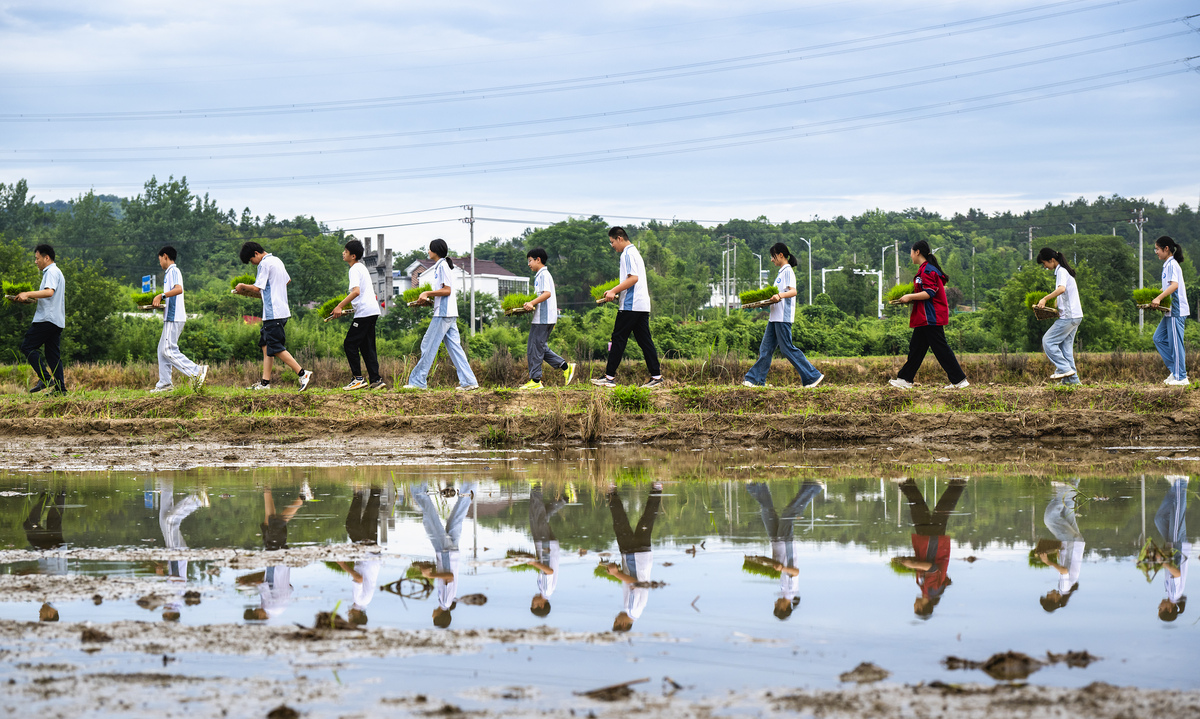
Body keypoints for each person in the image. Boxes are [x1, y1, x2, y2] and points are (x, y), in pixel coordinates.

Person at [232, 241, 313, 391]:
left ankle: (302, 373)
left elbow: (257, 287)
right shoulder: (277, 260)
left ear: (256, 253)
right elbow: (287, 281)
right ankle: (265, 383)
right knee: (266, 345)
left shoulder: (264, 263)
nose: (253, 263)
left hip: (273, 313)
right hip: (281, 310)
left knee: (275, 347)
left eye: (251, 260)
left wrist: (242, 286)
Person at [743, 243, 824, 388]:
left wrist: (779, 295)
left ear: (781, 255)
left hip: (782, 318)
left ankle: (812, 376)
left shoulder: (788, 271)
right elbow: (777, 297)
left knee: (787, 349)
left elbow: (793, 291)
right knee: (765, 349)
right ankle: (755, 380)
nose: (771, 260)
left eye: (773, 256)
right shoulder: (781, 273)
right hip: (774, 318)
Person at [889, 241, 968, 390]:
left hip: (931, 316)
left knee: (940, 349)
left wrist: (910, 296)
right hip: (925, 317)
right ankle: (905, 379)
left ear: (917, 252)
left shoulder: (927, 271)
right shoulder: (924, 269)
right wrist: (908, 299)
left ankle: (959, 381)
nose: (911, 256)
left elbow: (929, 293)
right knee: (916, 348)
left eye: (911, 252)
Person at [591, 227, 663, 389]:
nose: (612, 246)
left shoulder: (627, 254)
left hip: (631, 305)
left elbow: (633, 278)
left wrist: (613, 291)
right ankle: (656, 377)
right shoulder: (634, 252)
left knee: (618, 338)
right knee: (645, 341)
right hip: (641, 305)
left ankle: (609, 377)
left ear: (619, 238)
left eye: (612, 242)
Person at [404, 239, 479, 391]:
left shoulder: (442, 266)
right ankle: (469, 381)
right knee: (455, 348)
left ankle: (418, 382)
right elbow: (443, 291)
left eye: (429, 249)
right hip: (448, 313)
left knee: (428, 344)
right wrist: (428, 299)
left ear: (435, 251)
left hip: (443, 314)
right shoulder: (441, 266)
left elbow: (447, 290)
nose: (428, 251)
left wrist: (427, 293)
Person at [746, 480, 823, 619]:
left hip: (776, 542)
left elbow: (776, 564)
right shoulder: (791, 592)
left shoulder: (783, 590)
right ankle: (813, 488)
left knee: (767, 512)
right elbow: (795, 572)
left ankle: (756, 485)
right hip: (785, 543)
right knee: (788, 514)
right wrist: (783, 569)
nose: (775, 603)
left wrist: (757, 560)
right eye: (776, 606)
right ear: (783, 607)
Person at [894, 478, 967, 618]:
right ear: (921, 607)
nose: (914, 604)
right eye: (915, 607)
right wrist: (912, 564)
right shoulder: (932, 591)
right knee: (937, 510)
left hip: (927, 543)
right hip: (933, 544)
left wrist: (907, 560)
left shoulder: (928, 590)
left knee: (921, 510)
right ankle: (958, 482)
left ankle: (907, 482)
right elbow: (933, 568)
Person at [411, 481, 477, 627]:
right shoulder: (445, 602)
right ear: (438, 617)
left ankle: (471, 484)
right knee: (429, 519)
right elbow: (450, 577)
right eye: (433, 617)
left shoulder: (448, 600)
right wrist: (430, 575)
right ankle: (417, 486)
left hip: (452, 555)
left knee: (457, 518)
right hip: (445, 553)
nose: (431, 615)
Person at [603, 481, 663, 632]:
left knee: (647, 520)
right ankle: (611, 491)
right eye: (616, 621)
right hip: (633, 557)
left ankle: (657, 488)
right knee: (620, 522)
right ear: (623, 624)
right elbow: (635, 583)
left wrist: (620, 571)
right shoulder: (631, 610)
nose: (616, 617)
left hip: (643, 556)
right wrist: (616, 573)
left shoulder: (639, 611)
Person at [329, 239, 385, 391]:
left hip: (364, 313)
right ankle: (376, 379)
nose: (343, 253)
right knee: (367, 346)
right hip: (372, 311)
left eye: (345, 252)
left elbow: (356, 292)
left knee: (350, 344)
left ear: (353, 256)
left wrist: (339, 306)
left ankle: (357, 378)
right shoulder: (362, 267)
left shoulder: (354, 269)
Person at [150, 246, 208, 392]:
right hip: (170, 317)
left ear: (165, 256)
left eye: (160, 260)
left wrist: (161, 295)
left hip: (174, 317)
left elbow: (178, 289)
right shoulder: (169, 273)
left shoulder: (174, 271)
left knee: (168, 350)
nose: (160, 263)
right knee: (161, 350)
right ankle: (165, 384)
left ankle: (197, 371)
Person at [520, 248, 575, 390]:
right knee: (537, 347)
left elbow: (547, 293)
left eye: (530, 261)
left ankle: (535, 380)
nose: (528, 264)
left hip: (543, 319)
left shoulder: (543, 274)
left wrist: (532, 303)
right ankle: (565, 366)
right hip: (541, 318)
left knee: (535, 348)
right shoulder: (540, 275)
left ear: (538, 260)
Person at [17, 244, 66, 396]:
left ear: (47, 258)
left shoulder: (51, 271)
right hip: (56, 320)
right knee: (53, 356)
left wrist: (27, 293)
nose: (35, 261)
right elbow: (48, 296)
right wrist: (30, 299)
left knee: (27, 346)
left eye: (37, 258)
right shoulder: (57, 272)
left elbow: (49, 292)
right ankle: (60, 389)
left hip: (46, 319)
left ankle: (45, 378)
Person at [1034, 248, 1083, 385]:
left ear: (1052, 260)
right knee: (1065, 349)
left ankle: (1064, 368)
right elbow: (1064, 294)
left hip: (1069, 317)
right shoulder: (1065, 271)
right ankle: (1073, 382)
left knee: (1048, 341)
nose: (1045, 267)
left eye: (1044, 263)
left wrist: (1044, 299)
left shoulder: (1061, 271)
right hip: (1075, 316)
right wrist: (1054, 304)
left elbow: (1061, 289)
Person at [1036, 479, 1085, 612]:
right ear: (1055, 600)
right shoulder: (1063, 589)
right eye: (1048, 596)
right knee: (1049, 519)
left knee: (1067, 511)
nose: (1048, 593)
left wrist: (1058, 554)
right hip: (1070, 543)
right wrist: (1048, 562)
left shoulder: (1067, 589)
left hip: (1076, 544)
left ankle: (1074, 478)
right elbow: (1064, 571)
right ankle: (1061, 489)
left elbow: (1068, 567)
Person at [1150, 236, 1189, 386]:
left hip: (1176, 310)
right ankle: (1176, 371)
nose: (1156, 252)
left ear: (1166, 249)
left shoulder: (1172, 264)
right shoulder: (1167, 265)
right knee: (1158, 338)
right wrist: (1156, 295)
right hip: (1169, 311)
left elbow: (1174, 286)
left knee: (1175, 344)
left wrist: (1159, 298)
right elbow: (1167, 287)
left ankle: (1181, 377)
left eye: (1157, 249)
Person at [528, 483, 566, 617]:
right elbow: (549, 571)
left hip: (548, 549)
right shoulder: (546, 590)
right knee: (536, 517)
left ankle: (561, 501)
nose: (532, 601)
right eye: (533, 604)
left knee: (541, 519)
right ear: (541, 605)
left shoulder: (545, 590)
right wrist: (534, 563)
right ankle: (537, 484)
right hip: (546, 549)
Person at [1154, 475, 1189, 622]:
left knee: (1160, 519)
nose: (1159, 606)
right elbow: (1177, 573)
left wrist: (1160, 554)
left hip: (1173, 548)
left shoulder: (1170, 593)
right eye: (1160, 609)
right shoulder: (1174, 595)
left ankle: (1175, 486)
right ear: (1169, 608)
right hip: (1178, 549)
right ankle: (1182, 482)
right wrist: (1162, 562)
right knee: (1177, 513)